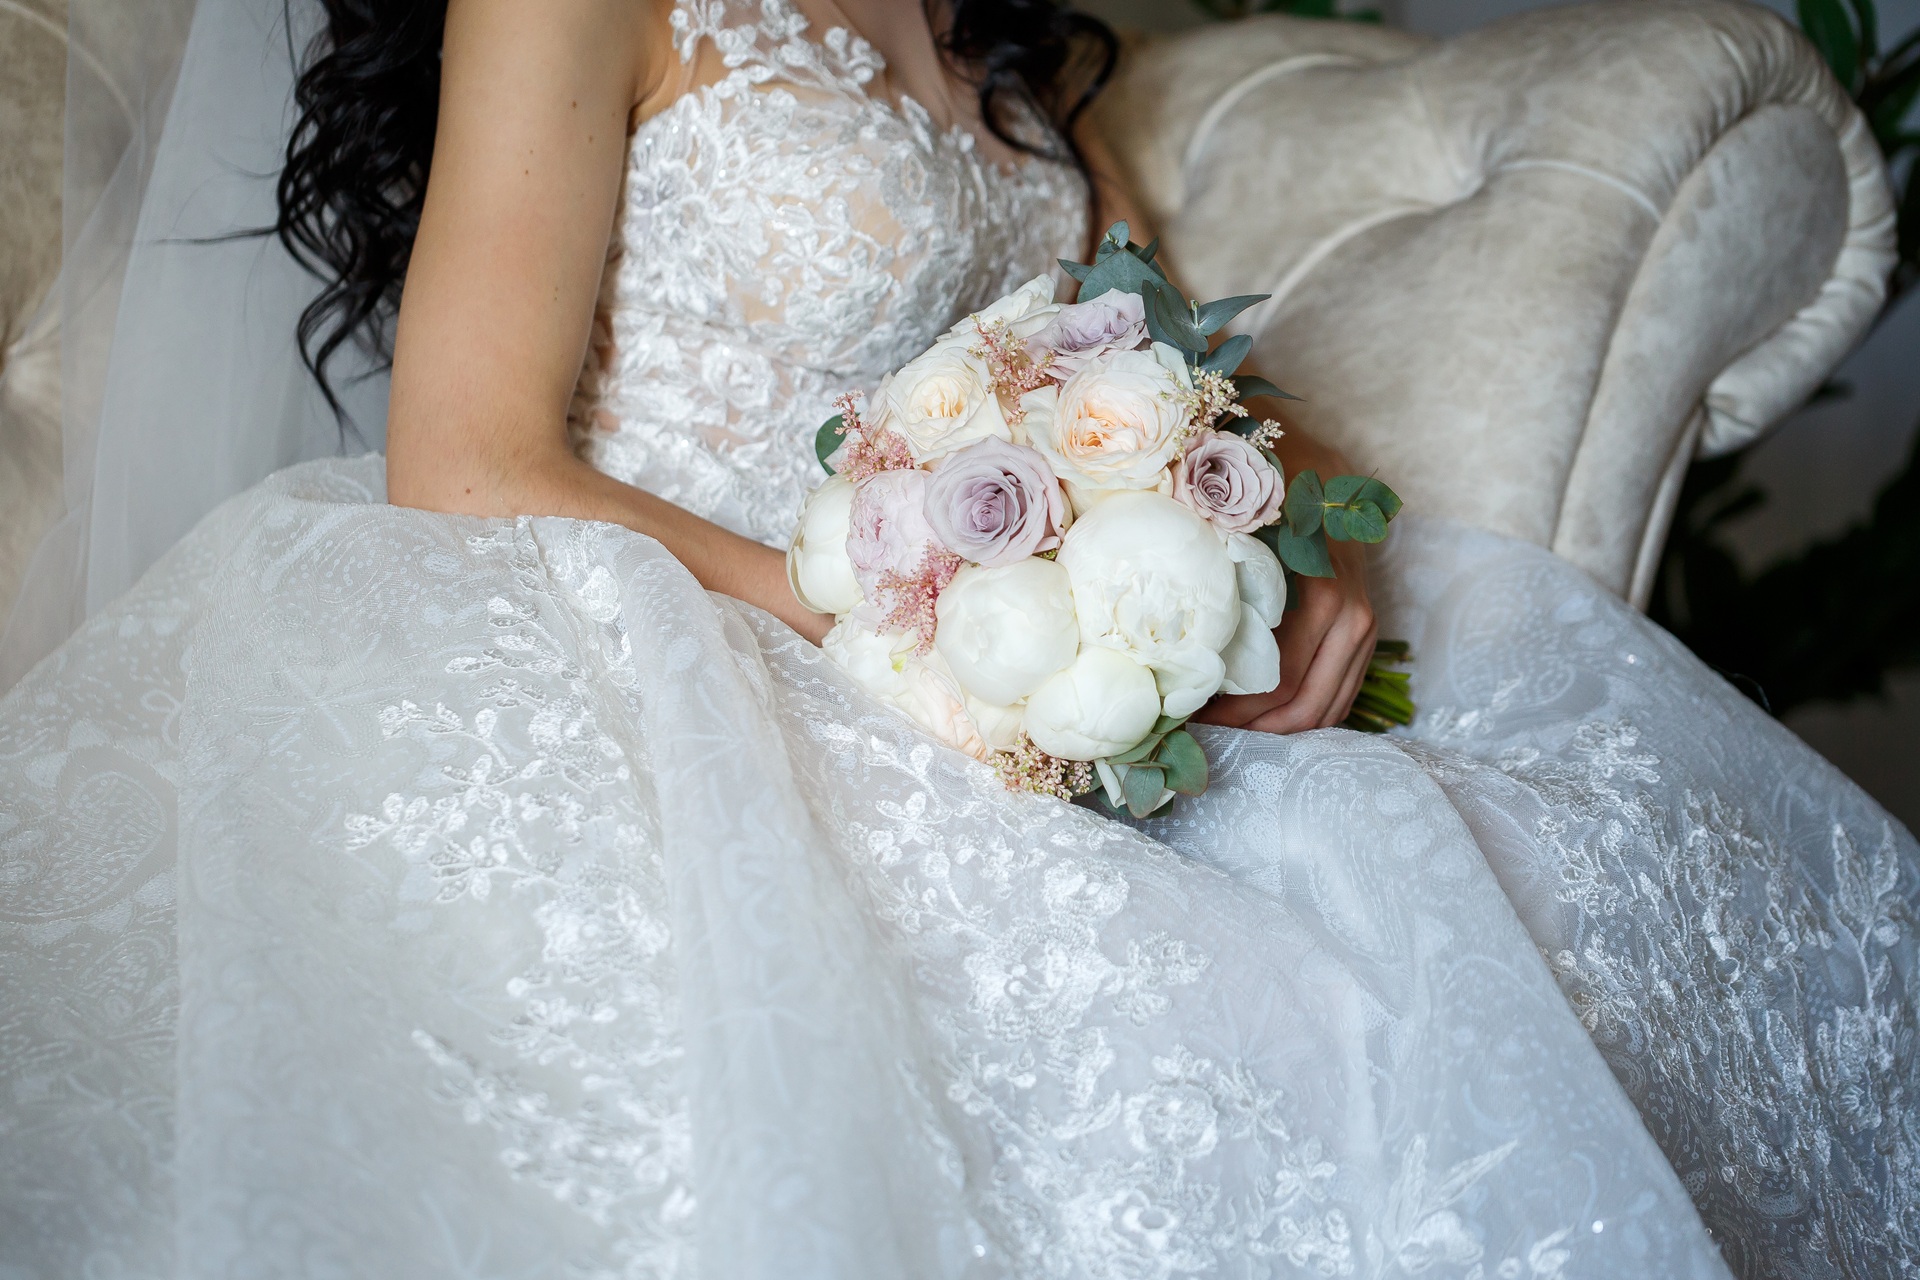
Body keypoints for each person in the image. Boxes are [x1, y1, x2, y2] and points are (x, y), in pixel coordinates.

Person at [0, 0, 1910, 1276]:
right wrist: (916, 649)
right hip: (678, 641)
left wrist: (1285, 521)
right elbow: (469, 458)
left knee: (1536, 866)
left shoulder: (1008, 39)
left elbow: (1164, 349)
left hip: (1019, 654)